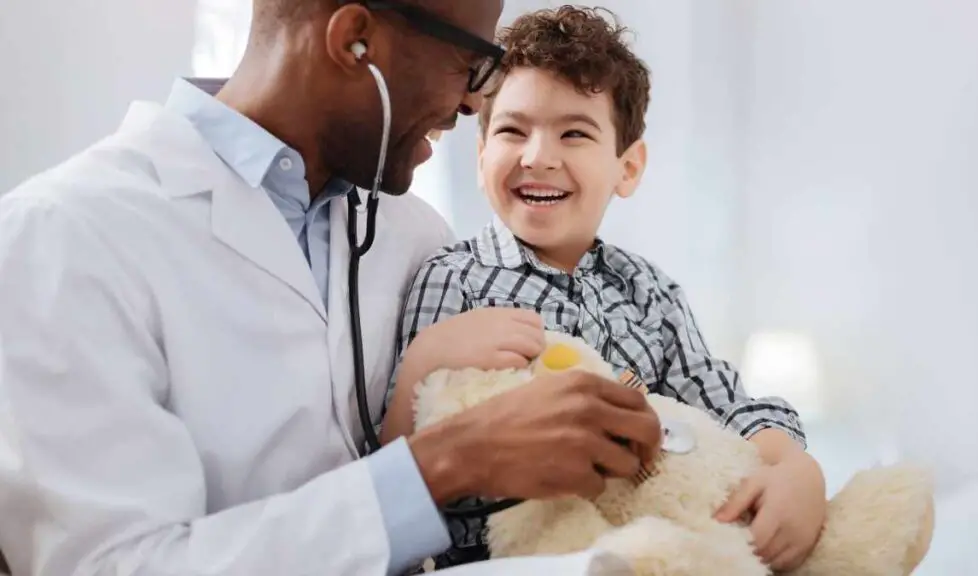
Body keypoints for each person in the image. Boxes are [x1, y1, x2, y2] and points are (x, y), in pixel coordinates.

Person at [0, 1, 664, 575]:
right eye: (471, 63)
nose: (472, 102)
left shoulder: (415, 236)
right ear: (355, 40)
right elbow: (116, 566)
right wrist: (441, 464)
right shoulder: (63, 235)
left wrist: (768, 455)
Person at [380, 6, 828, 572]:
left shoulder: (649, 290)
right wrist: (423, 363)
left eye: (574, 133)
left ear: (628, 169)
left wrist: (794, 468)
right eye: (513, 130)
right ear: (480, 154)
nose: (538, 157)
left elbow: (724, 403)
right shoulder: (451, 279)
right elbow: (396, 474)